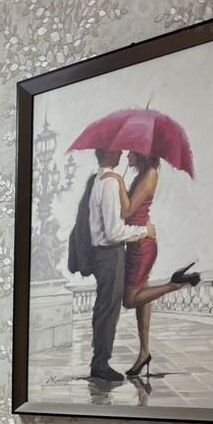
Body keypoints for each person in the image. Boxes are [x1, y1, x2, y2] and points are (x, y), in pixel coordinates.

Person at [114, 151, 200, 377]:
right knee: (142, 299)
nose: (127, 155)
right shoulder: (142, 174)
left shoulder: (150, 174)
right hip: (138, 242)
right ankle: (144, 353)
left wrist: (118, 183)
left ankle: (175, 284)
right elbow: (136, 212)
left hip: (141, 246)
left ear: (142, 153)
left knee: (130, 300)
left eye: (132, 151)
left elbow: (127, 211)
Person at [86, 149, 155, 382]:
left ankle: (99, 361)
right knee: (108, 310)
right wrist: (144, 231)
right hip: (110, 254)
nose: (122, 153)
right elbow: (114, 232)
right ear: (108, 154)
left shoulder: (99, 179)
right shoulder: (110, 183)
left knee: (103, 309)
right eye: (117, 150)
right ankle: (100, 364)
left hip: (102, 255)